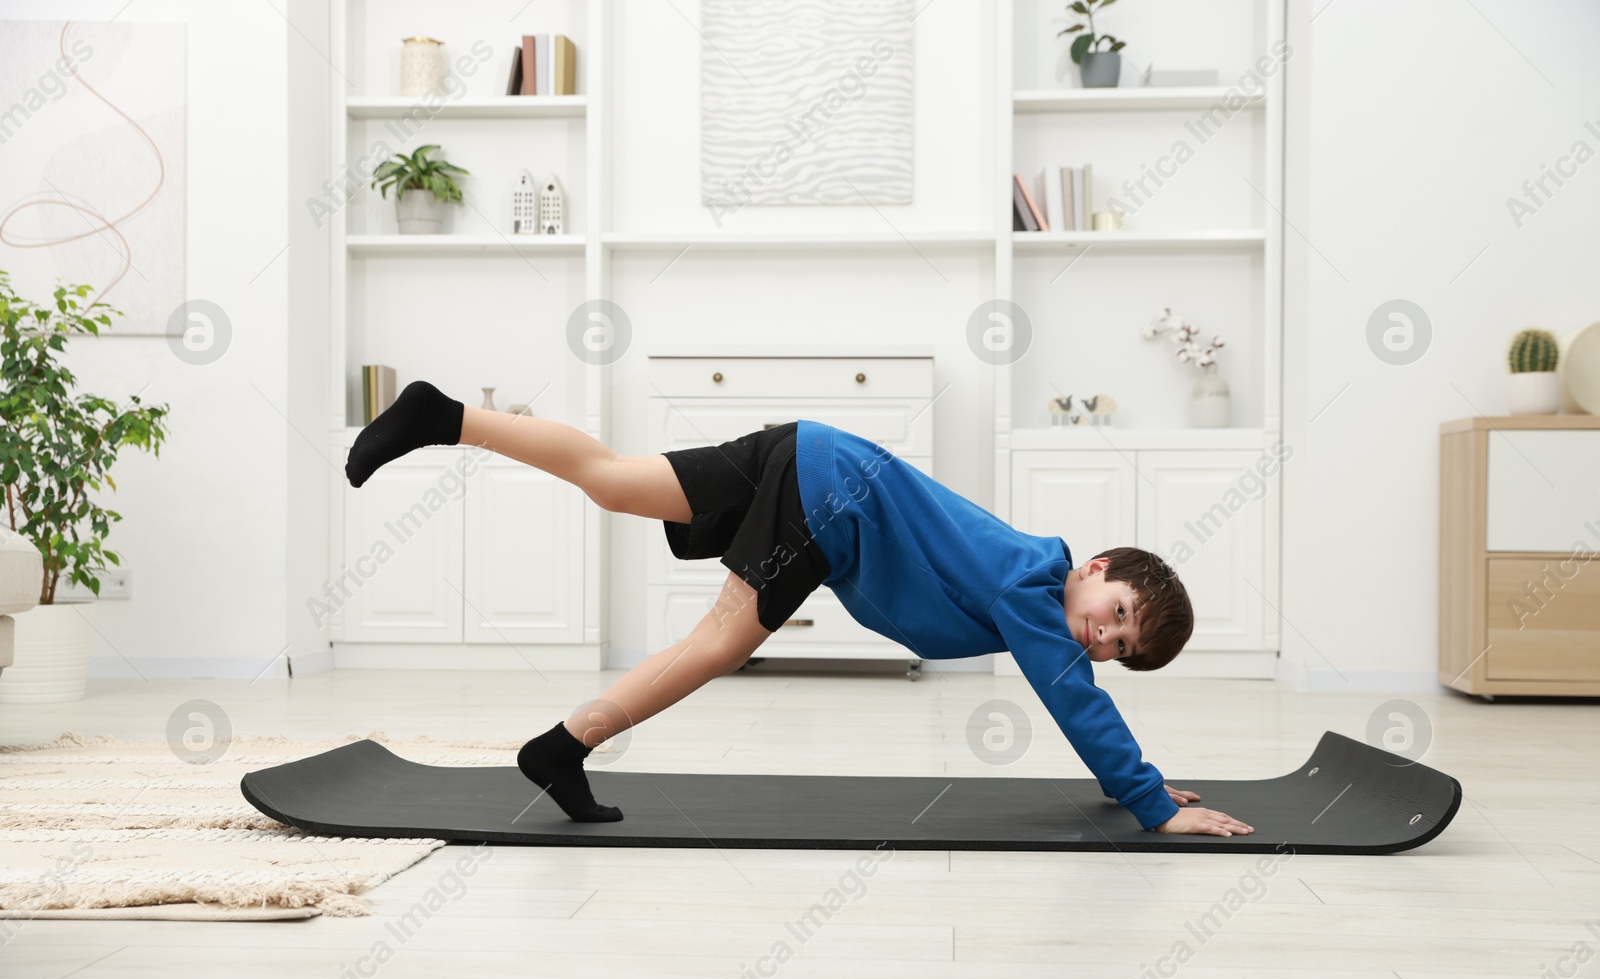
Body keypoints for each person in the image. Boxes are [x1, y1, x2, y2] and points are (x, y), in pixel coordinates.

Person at [345, 381, 1254, 837]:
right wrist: (1146, 799)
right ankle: (561, 748)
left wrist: (1131, 779)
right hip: (831, 500)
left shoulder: (1029, 590)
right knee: (716, 644)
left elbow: (1075, 689)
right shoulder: (1029, 586)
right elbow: (1071, 697)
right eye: (1118, 609)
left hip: (813, 451)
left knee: (616, 482)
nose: (1102, 636)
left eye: (1121, 646)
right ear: (1094, 567)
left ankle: (445, 414)